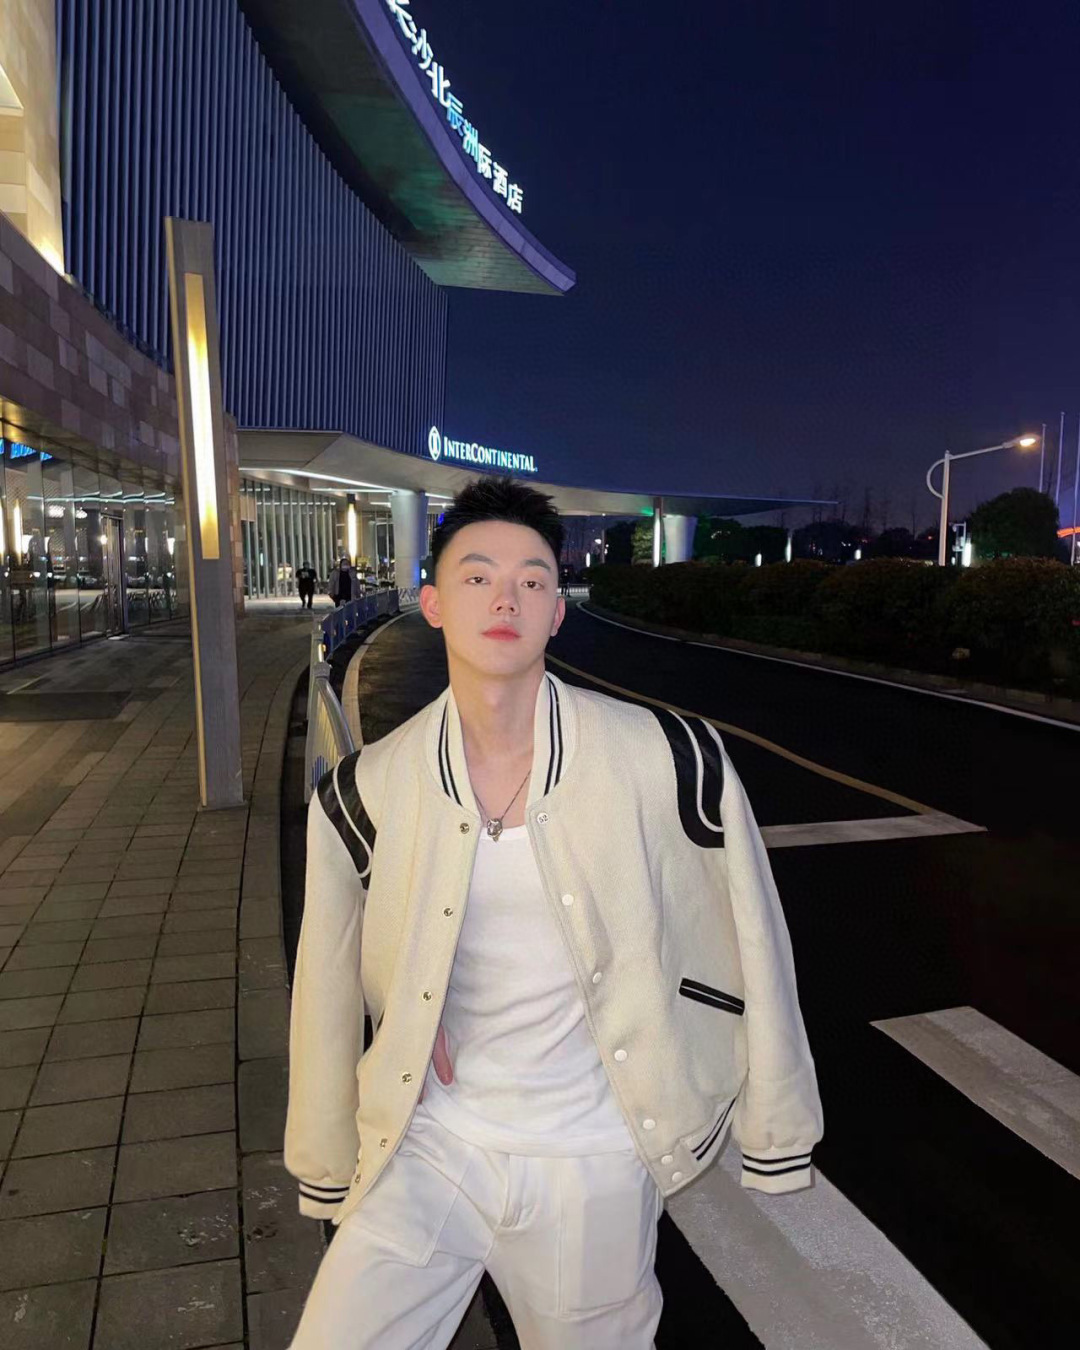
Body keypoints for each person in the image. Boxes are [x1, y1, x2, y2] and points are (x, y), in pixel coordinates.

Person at [285, 475, 823, 1350]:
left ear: (557, 612)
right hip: (429, 1142)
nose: (506, 597)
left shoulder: (667, 757)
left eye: (532, 580)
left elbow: (758, 940)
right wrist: (325, 1151)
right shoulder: (365, 790)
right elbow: (328, 982)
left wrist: (777, 1126)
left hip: (592, 1158)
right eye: (477, 576)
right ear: (432, 603)